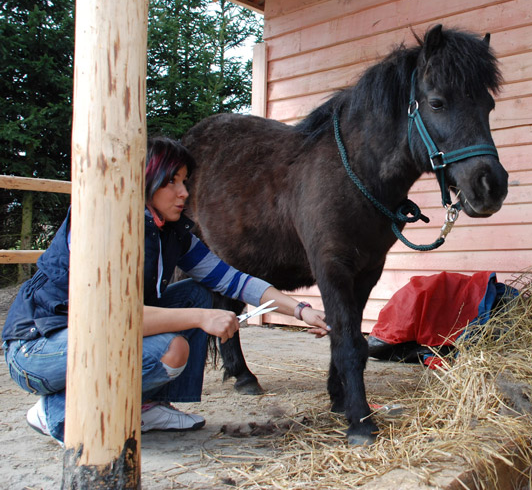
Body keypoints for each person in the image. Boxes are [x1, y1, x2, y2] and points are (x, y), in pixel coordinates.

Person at [1, 137, 329, 445]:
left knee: (199, 292)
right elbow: (114, 316)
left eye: (184, 181)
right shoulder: (102, 222)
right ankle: (56, 411)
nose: (184, 192)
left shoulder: (170, 232)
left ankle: (149, 405)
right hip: (38, 347)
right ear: (145, 179)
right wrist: (203, 317)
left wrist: (300, 310)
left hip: (94, 335)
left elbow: (234, 280)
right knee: (171, 349)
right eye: (172, 181)